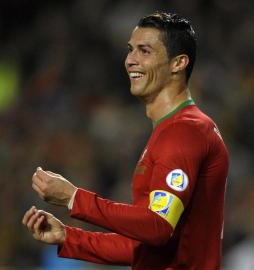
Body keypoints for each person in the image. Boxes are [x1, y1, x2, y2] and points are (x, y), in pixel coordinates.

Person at [22, 12, 229, 270]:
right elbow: (148, 247)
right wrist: (69, 236)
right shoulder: (172, 131)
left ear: (178, 63)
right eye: (130, 50)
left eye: (144, 51)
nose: (131, 60)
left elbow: (157, 227)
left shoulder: (186, 131)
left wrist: (74, 198)